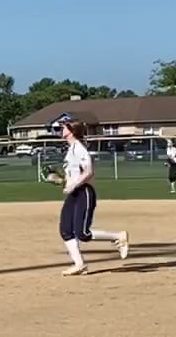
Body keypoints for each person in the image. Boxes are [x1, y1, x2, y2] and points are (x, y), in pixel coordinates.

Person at [43, 113, 129, 276]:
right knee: (66, 230)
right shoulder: (70, 150)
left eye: (64, 127)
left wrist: (73, 184)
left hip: (84, 192)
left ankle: (118, 236)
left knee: (82, 233)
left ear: (72, 131)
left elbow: (88, 172)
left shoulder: (79, 149)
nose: (61, 130)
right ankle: (80, 265)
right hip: (74, 193)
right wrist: (63, 181)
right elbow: (74, 174)